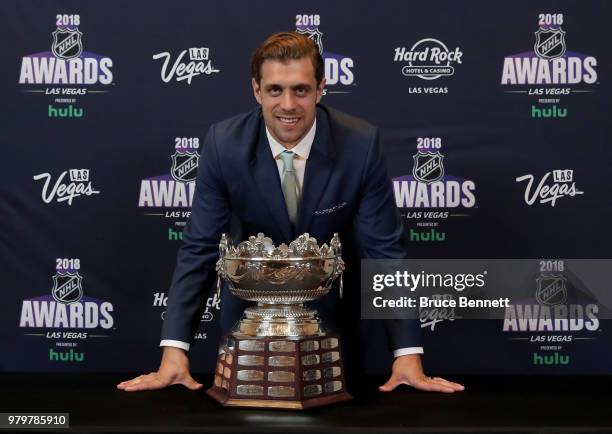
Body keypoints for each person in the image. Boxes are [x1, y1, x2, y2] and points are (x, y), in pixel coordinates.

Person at [117, 32, 464, 394]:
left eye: (300, 90)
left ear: (320, 89)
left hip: (332, 327)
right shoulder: (224, 145)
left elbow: (384, 252)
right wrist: (174, 350)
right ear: (256, 91)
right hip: (248, 325)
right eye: (274, 90)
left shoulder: (360, 144)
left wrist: (407, 353)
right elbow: (200, 248)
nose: (288, 104)